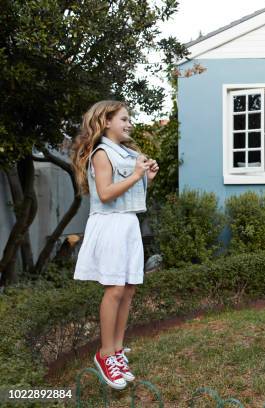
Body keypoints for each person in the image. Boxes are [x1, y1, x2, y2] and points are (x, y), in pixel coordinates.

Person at [70, 100, 159, 389]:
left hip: (129, 224)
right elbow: (106, 194)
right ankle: (105, 353)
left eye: (129, 118)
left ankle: (118, 351)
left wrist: (147, 178)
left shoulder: (128, 153)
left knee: (129, 288)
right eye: (124, 118)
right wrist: (135, 174)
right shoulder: (102, 153)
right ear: (106, 122)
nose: (129, 122)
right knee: (115, 289)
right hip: (109, 225)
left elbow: (130, 194)